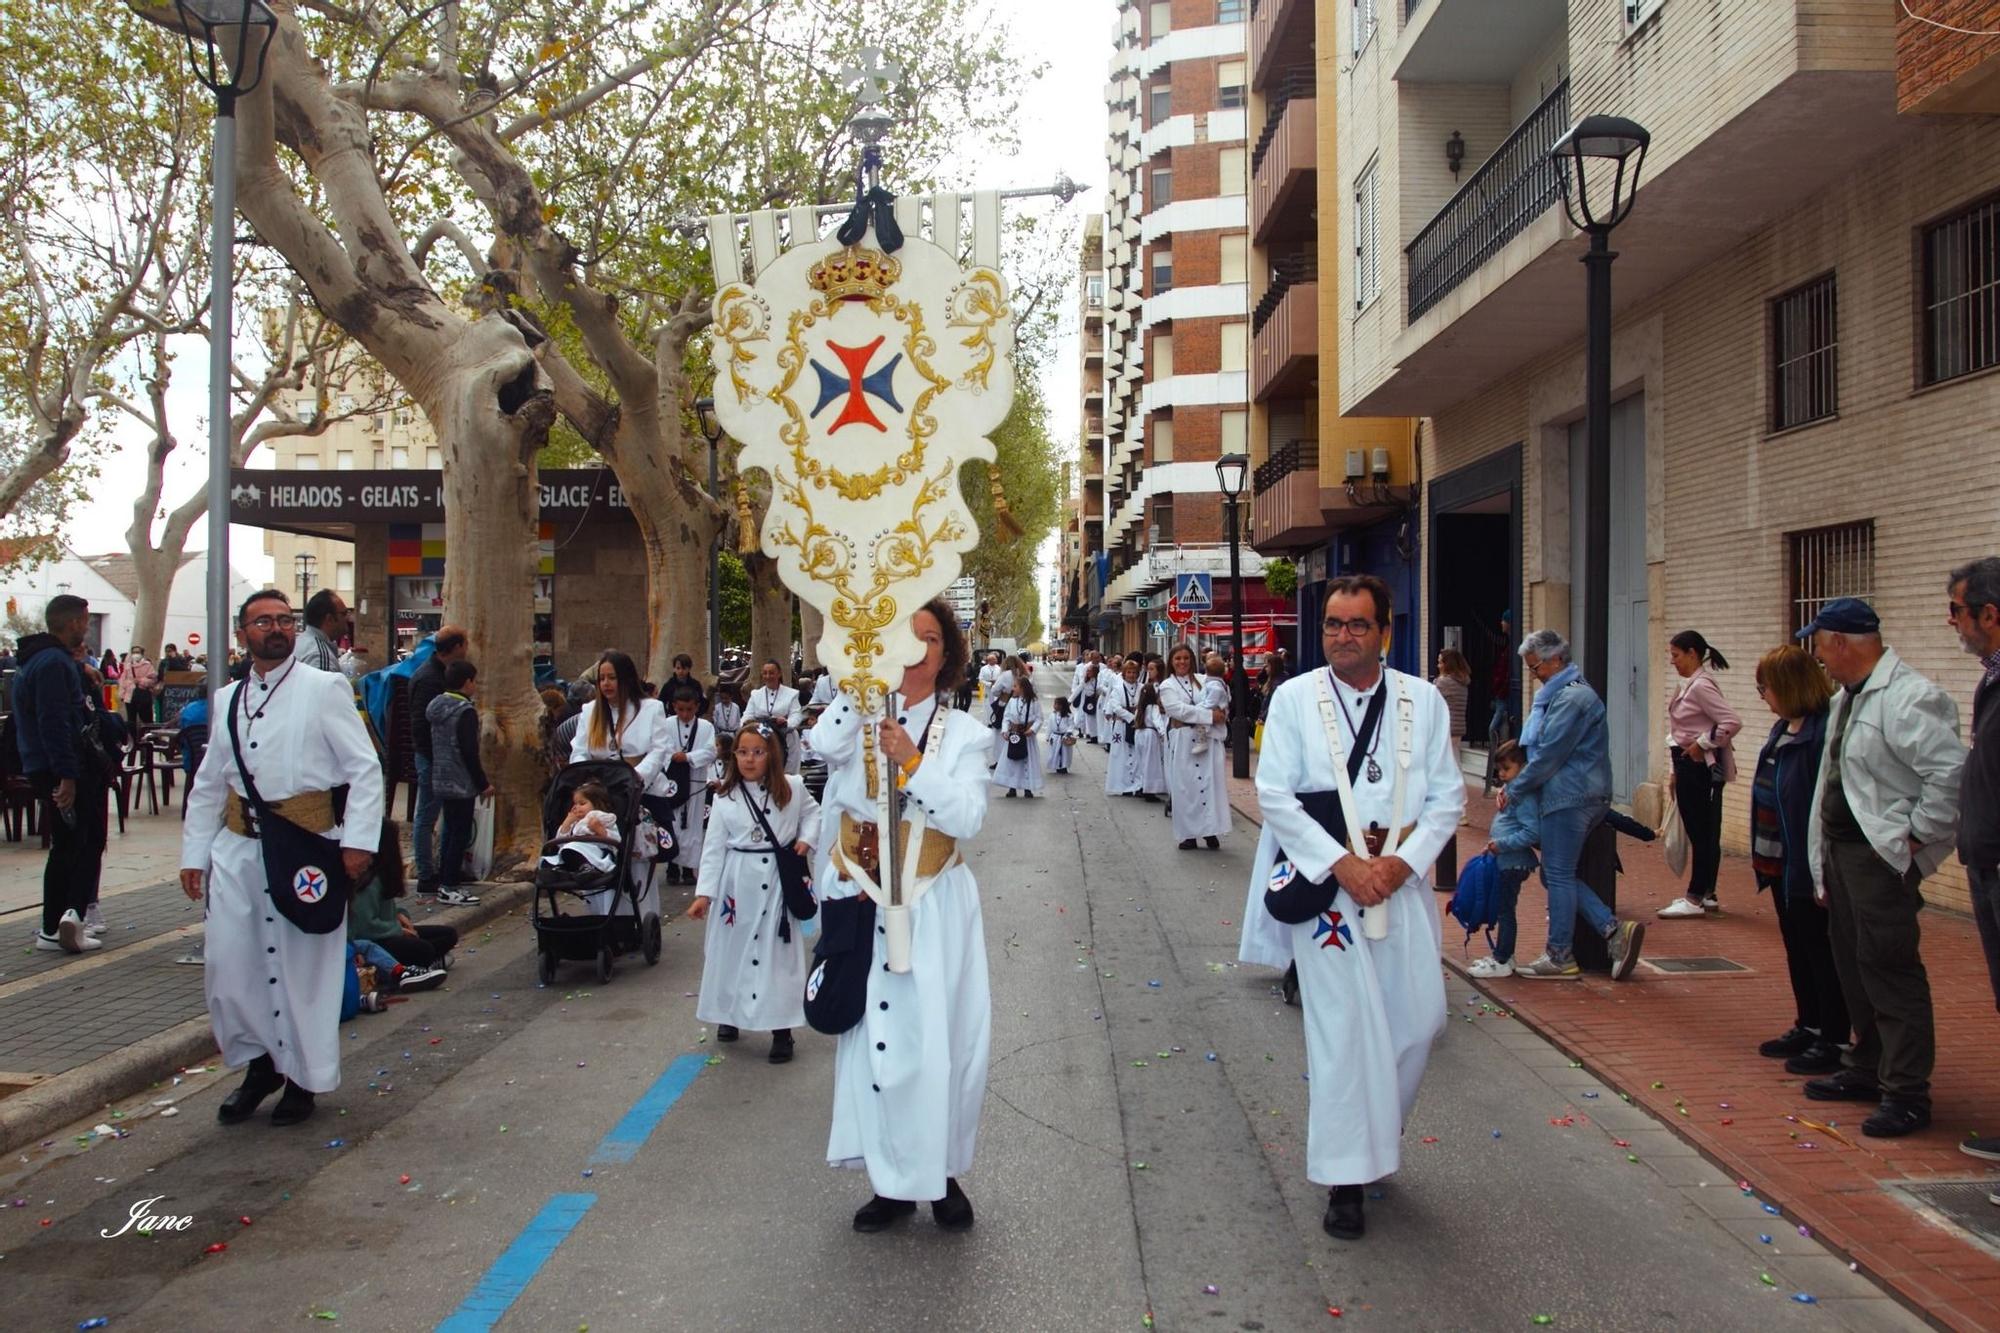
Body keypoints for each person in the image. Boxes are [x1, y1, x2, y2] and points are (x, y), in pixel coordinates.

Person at [1235, 576, 1464, 1241]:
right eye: (1334, 623)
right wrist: (1344, 865)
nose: (1343, 635)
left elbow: (1448, 798)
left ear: (1384, 632)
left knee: (1419, 1022)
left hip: (1400, 884)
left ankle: (1371, 1138)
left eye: (1358, 624)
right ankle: (1344, 1177)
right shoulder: (1294, 699)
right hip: (1331, 894)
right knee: (1341, 1036)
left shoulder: (1422, 702)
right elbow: (1274, 793)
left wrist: (1399, 864)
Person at [815, 600, 990, 1233]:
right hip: (865, 897)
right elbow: (819, 745)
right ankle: (889, 1181)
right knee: (875, 1047)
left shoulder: (967, 734)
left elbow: (967, 817)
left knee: (939, 1044)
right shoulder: (862, 713)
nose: (916, 650)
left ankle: (941, 1175)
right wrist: (859, 688)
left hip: (933, 902)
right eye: (905, 637)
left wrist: (913, 763)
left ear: (947, 657)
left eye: (930, 639)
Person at [180, 589, 385, 1127]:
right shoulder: (226, 698)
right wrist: (193, 855)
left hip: (305, 850)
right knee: (231, 965)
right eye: (262, 621)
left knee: (303, 969)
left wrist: (359, 843)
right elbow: (208, 784)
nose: (275, 628)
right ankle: (260, 1065)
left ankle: (303, 1078)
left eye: (283, 620)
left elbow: (364, 769)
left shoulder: (325, 688)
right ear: (243, 632)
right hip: (237, 852)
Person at [1801, 598, 1964, 1138]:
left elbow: (1949, 776)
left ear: (1842, 643)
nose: (1819, 657)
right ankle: (1867, 1065)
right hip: (1845, 853)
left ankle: (1907, 1091)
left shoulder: (1909, 697)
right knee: (1853, 964)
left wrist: (1913, 836)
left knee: (1889, 968)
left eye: (1820, 645)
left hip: (1880, 857)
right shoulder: (1848, 697)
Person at [1503, 629, 1647, 980]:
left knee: (1558, 874)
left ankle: (1564, 953)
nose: (1535, 676)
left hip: (1570, 797)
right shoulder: (1563, 696)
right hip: (1577, 794)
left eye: (1536, 668)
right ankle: (1611, 932)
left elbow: (1549, 755)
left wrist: (1516, 789)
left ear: (1556, 659)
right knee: (1556, 874)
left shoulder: (1571, 699)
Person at [688, 721, 822, 1063]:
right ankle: (729, 1015)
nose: (749, 759)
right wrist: (705, 893)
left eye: (758, 752)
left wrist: (806, 840)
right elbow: (714, 847)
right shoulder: (725, 797)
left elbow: (814, 815)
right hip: (737, 885)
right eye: (743, 752)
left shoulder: (792, 788)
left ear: (772, 755)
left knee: (777, 956)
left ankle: (781, 1030)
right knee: (731, 952)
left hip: (777, 884)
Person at [1747, 645, 1846, 1076]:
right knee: (1797, 948)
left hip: (1806, 862)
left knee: (1820, 951)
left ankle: (1833, 1036)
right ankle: (1807, 1023)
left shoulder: (1819, 734)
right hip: (1778, 861)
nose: (1761, 695)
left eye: (1764, 686)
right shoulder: (1784, 728)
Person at [14, 595, 110, 953]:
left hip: (50, 764)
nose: (86, 628)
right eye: (85, 621)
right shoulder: (53, 665)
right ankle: (62, 921)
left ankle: (63, 919)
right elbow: (54, 722)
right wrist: (67, 776)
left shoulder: (41, 661)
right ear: (73, 623)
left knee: (73, 843)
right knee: (79, 844)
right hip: (63, 766)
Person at [1948, 557, 2000, 1165]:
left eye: (1958, 611)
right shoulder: (1992, 676)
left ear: (1990, 613)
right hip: (1986, 857)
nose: (1952, 622)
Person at [1659, 630, 1742, 918]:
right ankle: (1705, 892)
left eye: (1676, 655)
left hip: (1699, 767)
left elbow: (1731, 721)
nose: (1673, 661)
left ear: (1693, 653)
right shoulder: (1687, 686)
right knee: (1701, 829)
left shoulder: (1701, 687)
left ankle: (1695, 896)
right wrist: (1673, 771)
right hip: (1685, 763)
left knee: (1701, 831)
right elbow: (1677, 732)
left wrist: (1702, 744)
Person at [572, 650, 671, 827]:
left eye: (612, 677)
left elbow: (658, 750)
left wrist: (634, 778)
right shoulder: (589, 711)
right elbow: (579, 752)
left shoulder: (651, 708)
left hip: (641, 791)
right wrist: (589, 783)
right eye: (601, 678)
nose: (606, 683)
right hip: (598, 795)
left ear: (626, 679)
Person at [348, 820, 453, 983]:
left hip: (389, 931)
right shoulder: (369, 880)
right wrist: (398, 930)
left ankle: (427, 962)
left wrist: (400, 917)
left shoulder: (383, 874)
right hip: (376, 938)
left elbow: (387, 911)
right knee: (424, 949)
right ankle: (414, 965)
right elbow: (365, 926)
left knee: (448, 934)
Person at [1470, 740, 1540, 978]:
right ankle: (1504, 955)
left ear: (1522, 766)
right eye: (1499, 770)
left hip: (1512, 862)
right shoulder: (1512, 790)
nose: (1501, 774)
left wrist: (1501, 845)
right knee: (1503, 909)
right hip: (1506, 860)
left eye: (1506, 769)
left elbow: (1532, 831)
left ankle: (1503, 958)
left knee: (1505, 911)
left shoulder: (1521, 793)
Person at [409, 626, 469, 895]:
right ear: (456, 647)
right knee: (426, 815)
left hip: (439, 758)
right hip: (432, 757)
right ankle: (426, 872)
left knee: (442, 815)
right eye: (465, 643)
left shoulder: (436, 674)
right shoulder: (429, 678)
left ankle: (445, 869)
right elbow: (422, 724)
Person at [426, 659, 492, 905]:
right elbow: (469, 751)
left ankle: (446, 879)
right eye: (474, 681)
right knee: (459, 834)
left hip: (441, 777)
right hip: (461, 782)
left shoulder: (436, 708)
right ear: (467, 682)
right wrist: (483, 783)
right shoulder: (465, 711)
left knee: (449, 831)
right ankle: (450, 884)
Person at [1162, 646, 1230, 850]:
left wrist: (1220, 712)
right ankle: (1188, 834)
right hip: (1184, 741)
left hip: (1208, 740)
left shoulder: (1204, 679)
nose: (1182, 662)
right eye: (1177, 658)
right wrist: (1209, 716)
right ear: (1171, 662)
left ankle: (1210, 831)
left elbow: (1220, 698)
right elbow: (1177, 710)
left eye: (1186, 658)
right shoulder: (1167, 685)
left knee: (1211, 786)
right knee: (1186, 789)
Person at [662, 683, 718, 886]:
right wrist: (673, 756)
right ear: (674, 707)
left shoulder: (706, 727)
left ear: (696, 707)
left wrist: (688, 757)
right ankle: (672, 865)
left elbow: (711, 751)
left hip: (695, 783)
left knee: (692, 826)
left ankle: (688, 868)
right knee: (673, 823)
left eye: (689, 709)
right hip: (673, 782)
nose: (685, 714)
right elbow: (661, 747)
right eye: (680, 710)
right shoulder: (667, 724)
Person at [544, 780, 622, 874]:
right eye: (575, 804)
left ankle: (587, 868)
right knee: (553, 858)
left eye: (582, 804)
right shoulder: (575, 823)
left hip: (596, 853)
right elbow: (560, 842)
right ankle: (565, 870)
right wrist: (568, 821)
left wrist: (600, 829)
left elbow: (616, 840)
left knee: (572, 848)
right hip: (572, 851)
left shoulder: (602, 817)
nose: (577, 807)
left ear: (596, 803)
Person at [744, 659, 804, 775]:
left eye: (771, 673)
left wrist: (786, 722)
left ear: (779, 674)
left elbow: (796, 715)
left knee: (787, 776)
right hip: (761, 737)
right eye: (765, 673)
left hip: (786, 737)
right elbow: (747, 715)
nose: (768, 676)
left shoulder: (791, 694)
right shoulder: (756, 695)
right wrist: (751, 723)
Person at [992, 673, 1045, 798]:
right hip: (1014, 735)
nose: (1013, 689)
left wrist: (1032, 729)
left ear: (1023, 688)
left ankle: (1027, 787)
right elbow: (1006, 718)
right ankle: (1012, 787)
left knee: (1026, 760)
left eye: (1015, 686)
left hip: (1027, 736)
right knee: (1013, 760)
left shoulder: (1034, 702)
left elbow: (1039, 718)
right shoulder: (1012, 701)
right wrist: (1005, 731)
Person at [1102, 657, 1144, 797]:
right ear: (1124, 673)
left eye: (1134, 672)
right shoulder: (1118, 689)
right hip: (1122, 725)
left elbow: (1144, 706)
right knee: (1122, 755)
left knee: (1138, 755)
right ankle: (1123, 785)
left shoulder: (1142, 688)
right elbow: (1116, 706)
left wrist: (1138, 716)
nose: (1132, 675)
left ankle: (1138, 784)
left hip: (1138, 725)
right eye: (1129, 672)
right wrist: (1131, 717)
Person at [292, 589, 347, 673]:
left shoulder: (303, 641)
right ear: (329, 619)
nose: (348, 618)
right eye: (344, 613)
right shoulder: (320, 656)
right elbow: (322, 686)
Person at [125, 647, 159, 729]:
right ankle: (133, 739)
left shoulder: (148, 666)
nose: (135, 654)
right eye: (133, 652)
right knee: (131, 720)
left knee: (146, 719)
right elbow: (124, 680)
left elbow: (153, 681)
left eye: (137, 652)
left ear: (142, 654)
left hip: (144, 694)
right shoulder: (128, 666)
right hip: (130, 695)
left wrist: (140, 681)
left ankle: (147, 737)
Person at [667, 652, 709, 716]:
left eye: (684, 668)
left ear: (689, 669)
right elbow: (661, 701)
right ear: (674, 668)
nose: (681, 671)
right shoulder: (669, 685)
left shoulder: (695, 685)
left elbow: (703, 702)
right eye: (678, 668)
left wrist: (696, 715)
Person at [1047, 695, 1078, 774]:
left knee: (1065, 753)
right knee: (1054, 753)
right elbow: (1049, 726)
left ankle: (1063, 767)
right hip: (1055, 737)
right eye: (1055, 704)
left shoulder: (1069, 716)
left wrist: (1068, 733)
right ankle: (1057, 766)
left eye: (1057, 704)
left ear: (1063, 705)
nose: (1055, 706)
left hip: (1064, 737)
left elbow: (1071, 725)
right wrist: (1048, 736)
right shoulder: (1052, 715)